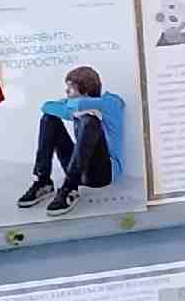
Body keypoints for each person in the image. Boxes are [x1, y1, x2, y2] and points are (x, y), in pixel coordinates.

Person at [16, 65, 125, 215]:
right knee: (49, 118)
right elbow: (46, 106)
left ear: (85, 90)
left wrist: (74, 109)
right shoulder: (75, 104)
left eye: (71, 88)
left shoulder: (109, 102)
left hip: (103, 174)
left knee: (89, 120)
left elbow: (80, 104)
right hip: (80, 169)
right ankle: (43, 181)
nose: (66, 91)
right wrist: (73, 113)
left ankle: (69, 188)